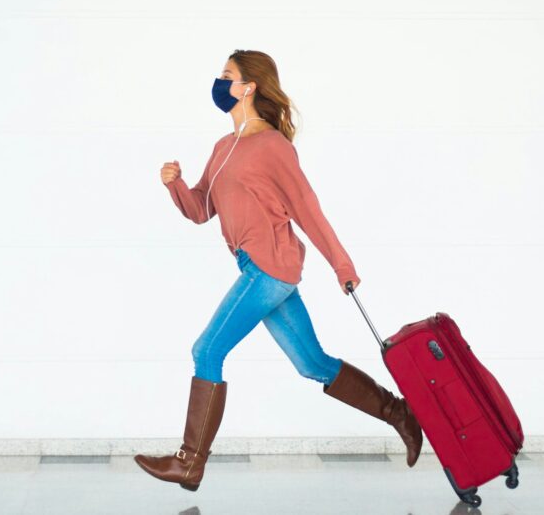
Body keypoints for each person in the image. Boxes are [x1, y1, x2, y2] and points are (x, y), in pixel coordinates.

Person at [134, 50, 422, 491]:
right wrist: (175, 182)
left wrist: (341, 264)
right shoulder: (223, 147)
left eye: (226, 76)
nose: (219, 82)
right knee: (312, 363)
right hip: (263, 268)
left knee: (206, 351)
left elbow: (307, 208)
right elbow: (200, 209)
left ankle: (189, 463)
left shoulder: (273, 146)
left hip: (269, 269)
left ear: (248, 87)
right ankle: (399, 413)